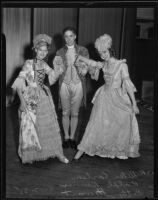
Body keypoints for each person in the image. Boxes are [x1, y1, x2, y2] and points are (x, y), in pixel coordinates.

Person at [73, 34, 140, 160]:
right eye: (100, 53)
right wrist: (81, 57)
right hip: (103, 97)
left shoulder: (121, 65)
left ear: (110, 49)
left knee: (123, 121)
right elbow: (93, 63)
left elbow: (128, 85)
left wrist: (134, 104)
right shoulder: (104, 64)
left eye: (104, 52)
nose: (103, 55)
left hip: (118, 97)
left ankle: (118, 150)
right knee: (95, 123)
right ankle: (82, 149)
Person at [11, 34, 69, 164]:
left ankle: (57, 152)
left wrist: (59, 67)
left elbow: (52, 77)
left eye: (45, 50)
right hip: (30, 96)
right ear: (35, 50)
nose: (43, 53)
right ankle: (30, 155)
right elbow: (20, 84)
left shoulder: (45, 64)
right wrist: (21, 101)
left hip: (43, 96)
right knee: (31, 126)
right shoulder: (28, 63)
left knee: (49, 126)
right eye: (40, 50)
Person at [53, 26, 89, 149]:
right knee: (65, 112)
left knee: (75, 113)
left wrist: (81, 67)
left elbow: (85, 70)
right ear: (64, 38)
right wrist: (60, 67)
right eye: (66, 36)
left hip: (78, 84)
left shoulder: (83, 50)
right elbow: (57, 71)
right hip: (64, 84)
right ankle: (66, 137)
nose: (68, 39)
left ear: (75, 36)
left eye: (71, 36)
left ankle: (73, 137)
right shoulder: (59, 52)